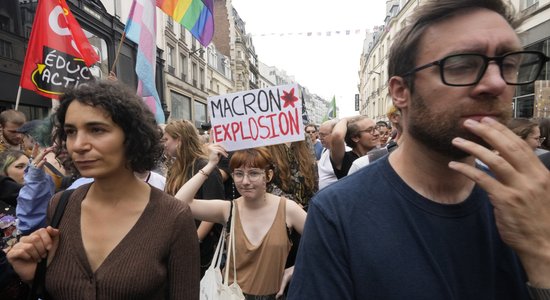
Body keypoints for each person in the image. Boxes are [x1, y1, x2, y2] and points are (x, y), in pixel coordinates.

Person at [288, 0, 550, 299]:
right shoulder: (338, 214)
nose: (495, 82)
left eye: (508, 64)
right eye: (461, 65)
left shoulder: (531, 199)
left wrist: (541, 255)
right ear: (401, 92)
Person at [7, 80, 199, 299]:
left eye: (96, 129)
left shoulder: (173, 217)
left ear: (132, 135)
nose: (78, 144)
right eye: (70, 131)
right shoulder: (61, 204)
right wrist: (35, 278)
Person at [174, 144, 307, 299]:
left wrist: (295, 270)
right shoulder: (228, 209)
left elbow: (326, 242)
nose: (245, 181)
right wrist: (210, 165)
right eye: (238, 174)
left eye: (253, 173)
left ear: (268, 175)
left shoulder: (288, 209)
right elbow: (180, 202)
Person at [163, 119, 225, 277]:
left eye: (166, 139)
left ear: (179, 140)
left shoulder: (205, 167)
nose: (163, 144)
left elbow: (213, 214)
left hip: (201, 250)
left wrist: (195, 240)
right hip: (177, 243)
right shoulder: (175, 168)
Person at [317, 119, 339, 190]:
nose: (320, 138)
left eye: (323, 135)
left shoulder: (345, 152)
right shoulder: (325, 149)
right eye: (319, 135)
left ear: (335, 133)